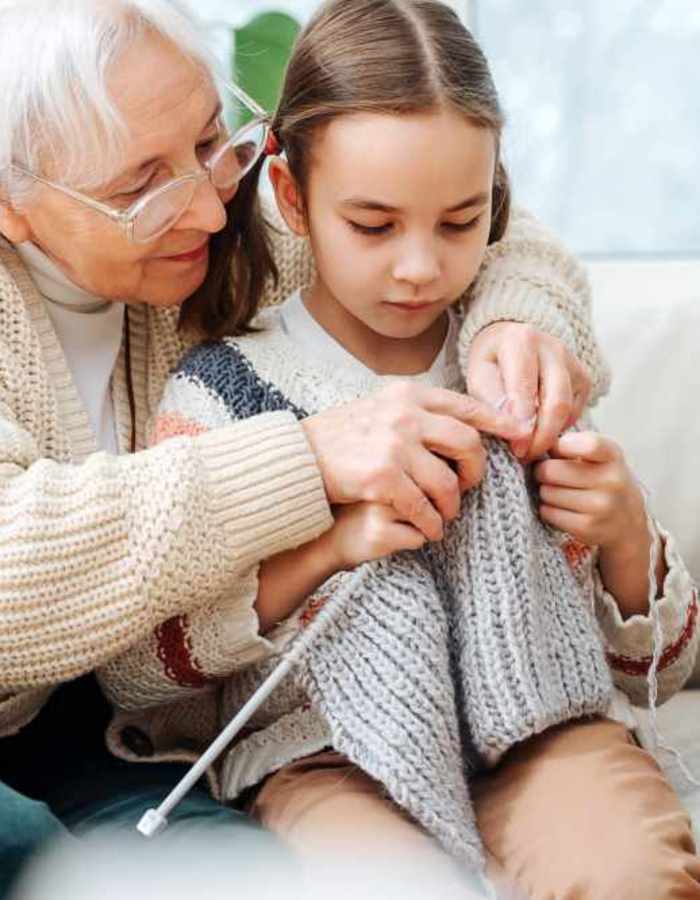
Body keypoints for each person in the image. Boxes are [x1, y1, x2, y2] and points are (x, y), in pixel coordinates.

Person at [0, 0, 675, 896]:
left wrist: (516, 324)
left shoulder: (248, 219)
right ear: (14, 203)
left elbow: (486, 231)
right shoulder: (210, 368)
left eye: (212, 141)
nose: (209, 207)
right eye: (143, 190)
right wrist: (307, 462)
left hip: (116, 727)